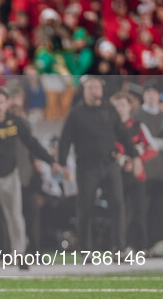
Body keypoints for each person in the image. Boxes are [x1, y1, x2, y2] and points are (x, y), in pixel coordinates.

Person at [0, 88, 59, 262]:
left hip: (9, 175)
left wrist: (51, 161)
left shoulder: (15, 121)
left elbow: (31, 143)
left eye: (1, 102)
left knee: (15, 215)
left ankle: (19, 254)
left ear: (7, 104)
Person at [59, 76, 142, 252]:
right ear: (84, 91)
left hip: (110, 164)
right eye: (91, 87)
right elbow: (65, 140)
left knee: (118, 206)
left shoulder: (109, 109)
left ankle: (119, 248)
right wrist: (63, 164)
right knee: (85, 208)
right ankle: (86, 251)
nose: (95, 90)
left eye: (97, 87)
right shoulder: (76, 113)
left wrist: (134, 157)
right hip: (86, 166)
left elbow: (123, 135)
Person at [110, 92, 157, 252]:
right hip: (116, 175)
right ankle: (121, 246)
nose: (120, 109)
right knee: (119, 212)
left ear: (130, 106)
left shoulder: (138, 126)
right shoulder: (109, 127)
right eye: (116, 106)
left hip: (137, 175)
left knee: (138, 212)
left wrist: (138, 159)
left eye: (122, 105)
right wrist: (123, 160)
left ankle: (140, 247)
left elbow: (152, 148)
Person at [132, 80, 163, 249]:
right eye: (148, 92)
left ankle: (156, 244)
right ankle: (141, 245)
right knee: (141, 209)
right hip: (144, 170)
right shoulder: (136, 116)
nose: (152, 96)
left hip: (160, 171)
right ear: (144, 95)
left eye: (155, 93)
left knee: (159, 210)